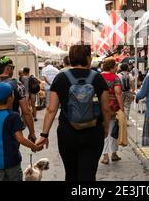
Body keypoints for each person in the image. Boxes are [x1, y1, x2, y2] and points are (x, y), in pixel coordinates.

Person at [36, 45, 111, 181]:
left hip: (67, 133)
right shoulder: (98, 78)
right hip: (93, 133)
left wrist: (44, 134)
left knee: (71, 173)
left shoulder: (60, 78)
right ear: (88, 58)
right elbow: (106, 108)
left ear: (70, 59)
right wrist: (106, 127)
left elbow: (51, 109)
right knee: (88, 174)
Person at [0, 82, 43, 181]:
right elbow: (20, 138)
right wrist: (34, 146)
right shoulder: (14, 116)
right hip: (12, 162)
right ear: (11, 98)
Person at [0, 57, 37, 143]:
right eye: (12, 68)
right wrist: (32, 133)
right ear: (8, 68)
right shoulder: (16, 84)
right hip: (12, 129)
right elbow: (26, 112)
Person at [100, 58, 124, 164]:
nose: (116, 68)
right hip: (113, 108)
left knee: (104, 132)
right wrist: (122, 108)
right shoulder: (115, 78)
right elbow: (118, 93)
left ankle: (105, 156)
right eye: (115, 66)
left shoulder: (98, 77)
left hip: (101, 108)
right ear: (111, 67)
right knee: (114, 131)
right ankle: (114, 154)